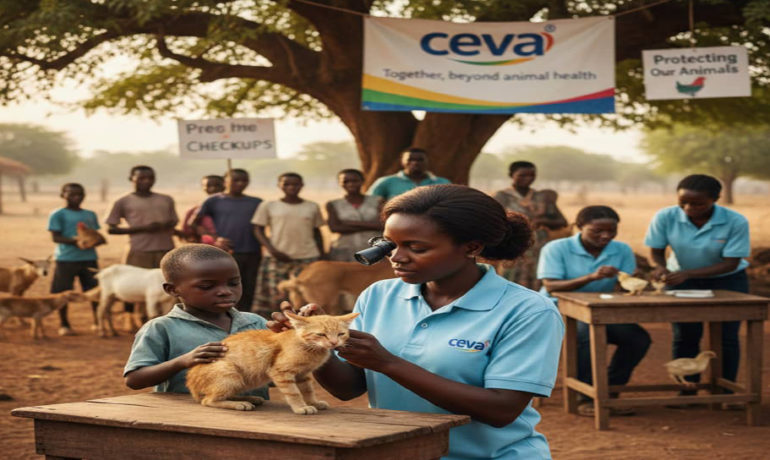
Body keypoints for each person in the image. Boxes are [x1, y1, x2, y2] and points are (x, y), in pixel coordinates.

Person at [269, 184, 564, 459]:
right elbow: (348, 388)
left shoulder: (526, 310)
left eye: (417, 248)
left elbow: (501, 410)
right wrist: (310, 341)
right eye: (389, 245)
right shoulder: (379, 295)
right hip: (404, 452)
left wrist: (388, 363)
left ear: (472, 248)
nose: (396, 257)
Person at [538, 205, 650, 416]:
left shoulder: (622, 250)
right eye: (597, 231)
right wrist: (591, 277)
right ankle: (586, 397)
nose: (605, 236)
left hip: (600, 311)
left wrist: (637, 282)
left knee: (638, 339)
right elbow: (551, 285)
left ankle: (609, 390)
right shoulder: (556, 248)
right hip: (557, 310)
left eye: (611, 231)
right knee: (584, 335)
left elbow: (623, 285)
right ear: (580, 227)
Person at [645, 174, 750, 399]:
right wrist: (661, 268)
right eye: (683, 202)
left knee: (726, 336)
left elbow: (730, 262)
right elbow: (655, 252)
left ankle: (725, 391)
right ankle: (687, 391)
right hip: (680, 277)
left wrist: (687, 274)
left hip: (728, 279)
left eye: (697, 203)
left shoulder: (736, 221)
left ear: (715, 199)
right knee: (685, 334)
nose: (688, 207)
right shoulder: (666, 216)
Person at [123, 244, 269, 399]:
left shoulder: (255, 323)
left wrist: (293, 336)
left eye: (233, 283)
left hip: (254, 417)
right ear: (173, 290)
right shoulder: (162, 328)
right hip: (187, 417)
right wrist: (182, 361)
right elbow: (134, 380)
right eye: (206, 286)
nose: (225, 291)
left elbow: (278, 374)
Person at [106, 165, 178, 323]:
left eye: (150, 178)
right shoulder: (122, 201)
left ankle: (167, 322)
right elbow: (111, 229)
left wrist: (165, 225)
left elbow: (174, 221)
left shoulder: (166, 199)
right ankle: (132, 320)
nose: (147, 181)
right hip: (139, 250)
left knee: (168, 287)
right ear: (131, 179)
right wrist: (142, 229)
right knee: (135, 287)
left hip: (165, 249)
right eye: (141, 178)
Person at [253, 172, 325, 314]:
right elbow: (258, 229)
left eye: (295, 184)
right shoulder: (269, 205)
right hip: (277, 257)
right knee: (276, 295)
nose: (291, 187)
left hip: (307, 257)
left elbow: (317, 232)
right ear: (279, 185)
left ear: (301, 185)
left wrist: (322, 254)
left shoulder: (312, 206)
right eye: (287, 184)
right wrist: (272, 250)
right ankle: (279, 324)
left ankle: (302, 324)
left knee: (305, 296)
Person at [493, 161, 568, 290]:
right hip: (512, 245)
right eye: (522, 175)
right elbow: (493, 220)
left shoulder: (542, 197)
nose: (528, 179)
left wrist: (543, 221)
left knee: (538, 280)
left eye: (532, 175)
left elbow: (562, 222)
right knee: (510, 279)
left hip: (539, 246)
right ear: (511, 175)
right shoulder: (502, 197)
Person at [196, 169, 262, 311]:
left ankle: (245, 316)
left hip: (252, 251)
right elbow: (195, 223)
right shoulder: (213, 200)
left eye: (244, 180)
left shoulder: (256, 202)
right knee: (226, 286)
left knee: (249, 286)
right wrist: (215, 239)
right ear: (225, 181)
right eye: (236, 180)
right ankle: (226, 315)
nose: (240, 184)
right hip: (226, 252)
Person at [48, 183, 106, 336]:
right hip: (66, 259)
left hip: (89, 258)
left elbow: (94, 235)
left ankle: (97, 322)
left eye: (80, 194)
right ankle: (64, 324)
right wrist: (75, 242)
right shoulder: (58, 214)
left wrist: (95, 242)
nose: (77, 197)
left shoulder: (89, 214)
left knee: (94, 291)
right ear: (63, 195)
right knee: (63, 292)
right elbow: (55, 237)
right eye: (72, 194)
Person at [326, 169, 383, 261]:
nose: (350, 184)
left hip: (373, 249)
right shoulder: (333, 204)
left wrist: (351, 223)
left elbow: (382, 225)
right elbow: (334, 228)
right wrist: (371, 225)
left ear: (362, 181)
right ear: (340, 183)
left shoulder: (377, 201)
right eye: (346, 181)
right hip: (343, 249)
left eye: (354, 181)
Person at [368, 148, 450, 202]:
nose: (415, 163)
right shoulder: (386, 181)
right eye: (410, 159)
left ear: (427, 161)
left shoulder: (443, 182)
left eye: (420, 160)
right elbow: (370, 203)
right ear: (402, 161)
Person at [179, 175, 224, 244]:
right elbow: (187, 232)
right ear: (203, 187)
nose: (213, 188)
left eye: (217, 185)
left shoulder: (235, 207)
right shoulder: (193, 211)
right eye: (208, 186)